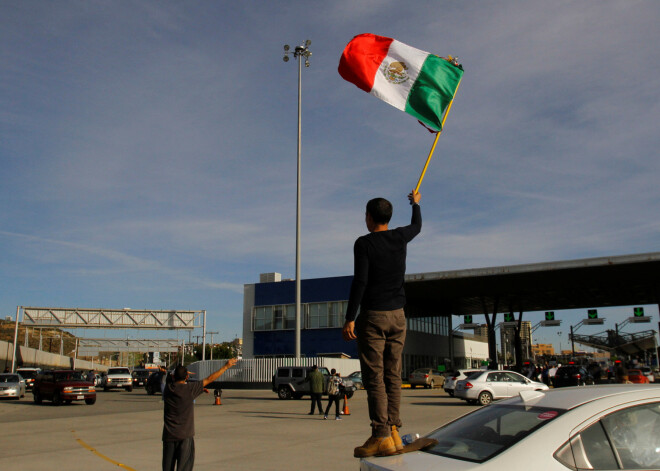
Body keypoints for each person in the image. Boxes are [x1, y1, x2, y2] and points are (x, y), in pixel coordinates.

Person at [343, 190, 422, 458]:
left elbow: (360, 282)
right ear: (388, 217)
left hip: (374, 316)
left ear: (369, 217)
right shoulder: (400, 237)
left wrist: (349, 317)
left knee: (374, 377)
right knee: (393, 375)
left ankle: (380, 435)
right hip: (399, 316)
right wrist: (416, 205)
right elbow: (417, 226)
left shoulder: (364, 244)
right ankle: (394, 432)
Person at [162, 358, 237, 471]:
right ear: (187, 377)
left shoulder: (168, 389)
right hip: (185, 436)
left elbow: (167, 376)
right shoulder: (190, 389)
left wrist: (199, 388)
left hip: (169, 436)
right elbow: (210, 378)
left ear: (173, 377)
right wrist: (226, 366)